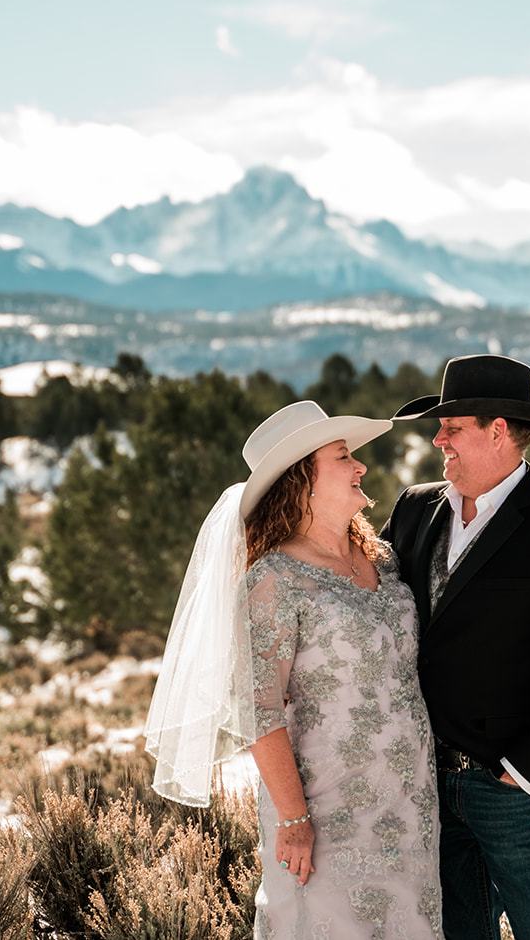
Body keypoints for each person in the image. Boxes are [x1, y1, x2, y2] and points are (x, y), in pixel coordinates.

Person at [145, 400, 441, 939]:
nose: (361, 468)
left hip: (409, 803)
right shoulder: (274, 581)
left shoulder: (381, 559)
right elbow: (257, 710)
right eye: (344, 457)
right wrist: (294, 819)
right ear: (301, 478)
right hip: (328, 813)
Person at [381, 355, 530, 940]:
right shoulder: (413, 509)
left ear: (499, 431)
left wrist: (522, 771)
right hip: (424, 784)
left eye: (452, 426)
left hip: (512, 789)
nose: (438, 438)